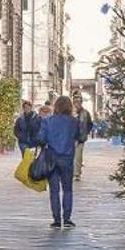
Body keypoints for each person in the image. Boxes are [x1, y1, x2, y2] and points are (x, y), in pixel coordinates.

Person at [38, 95, 86, 228]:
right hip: (67, 157)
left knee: (54, 190)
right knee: (67, 189)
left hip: (52, 158)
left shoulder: (48, 121)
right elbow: (81, 136)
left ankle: (57, 219)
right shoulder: (73, 121)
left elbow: (40, 138)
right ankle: (67, 218)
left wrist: (47, 144)